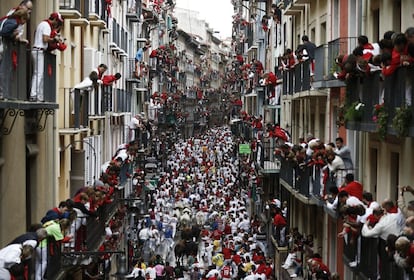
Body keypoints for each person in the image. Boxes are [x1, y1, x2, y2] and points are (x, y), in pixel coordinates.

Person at [30, 12, 64, 102]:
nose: (57, 24)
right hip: (39, 50)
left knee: (39, 74)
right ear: (55, 20)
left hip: (38, 50)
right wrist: (54, 39)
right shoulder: (46, 25)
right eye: (58, 22)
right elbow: (45, 39)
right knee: (39, 74)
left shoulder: (43, 24)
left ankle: (38, 96)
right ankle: (34, 95)